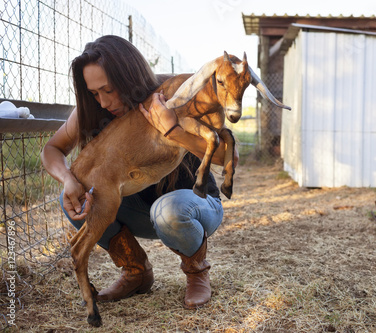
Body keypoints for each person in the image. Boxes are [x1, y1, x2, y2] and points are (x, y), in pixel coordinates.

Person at [41, 35, 236, 309]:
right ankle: (136, 272)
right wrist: (68, 180)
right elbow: (52, 149)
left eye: (109, 90)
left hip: (194, 206)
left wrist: (173, 130)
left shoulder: (176, 92)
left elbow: (229, 158)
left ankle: (197, 271)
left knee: (168, 210)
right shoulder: (94, 110)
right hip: (140, 212)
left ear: (129, 76)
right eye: (94, 93)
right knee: (76, 198)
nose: (103, 102)